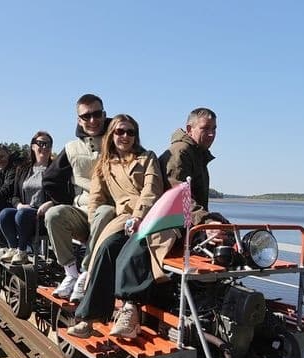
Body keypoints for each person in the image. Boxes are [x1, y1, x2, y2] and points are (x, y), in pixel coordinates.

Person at [66, 114, 170, 339]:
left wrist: (140, 216)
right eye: (120, 131)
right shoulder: (104, 165)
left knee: (133, 250)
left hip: (151, 219)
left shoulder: (146, 158)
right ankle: (89, 318)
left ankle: (130, 311)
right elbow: (96, 198)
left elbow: (151, 189)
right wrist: (94, 226)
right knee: (106, 248)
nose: (125, 136)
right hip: (123, 220)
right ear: (111, 134)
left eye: (130, 132)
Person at [41, 93, 115, 300]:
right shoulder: (72, 148)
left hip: (110, 212)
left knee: (105, 211)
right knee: (54, 214)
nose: (92, 120)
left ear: (104, 114)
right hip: (83, 209)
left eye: (97, 114)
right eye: (86, 116)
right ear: (79, 120)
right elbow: (50, 179)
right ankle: (71, 274)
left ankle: (85, 273)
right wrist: (64, 202)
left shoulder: (118, 139)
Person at [0, 131, 54, 264]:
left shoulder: (55, 169)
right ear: (33, 146)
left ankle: (22, 251)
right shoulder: (23, 169)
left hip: (43, 215)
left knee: (22, 214)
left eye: (48, 144)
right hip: (24, 210)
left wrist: (50, 203)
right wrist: (19, 205)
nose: (45, 147)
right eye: (41, 143)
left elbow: (63, 194)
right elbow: (15, 196)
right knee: (4, 214)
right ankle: (13, 248)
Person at [159, 107, 221, 227]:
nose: (211, 134)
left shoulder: (199, 154)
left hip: (190, 222)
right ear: (189, 129)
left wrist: (210, 217)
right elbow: (179, 196)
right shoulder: (180, 152)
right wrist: (206, 221)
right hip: (175, 227)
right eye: (205, 128)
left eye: (214, 129)